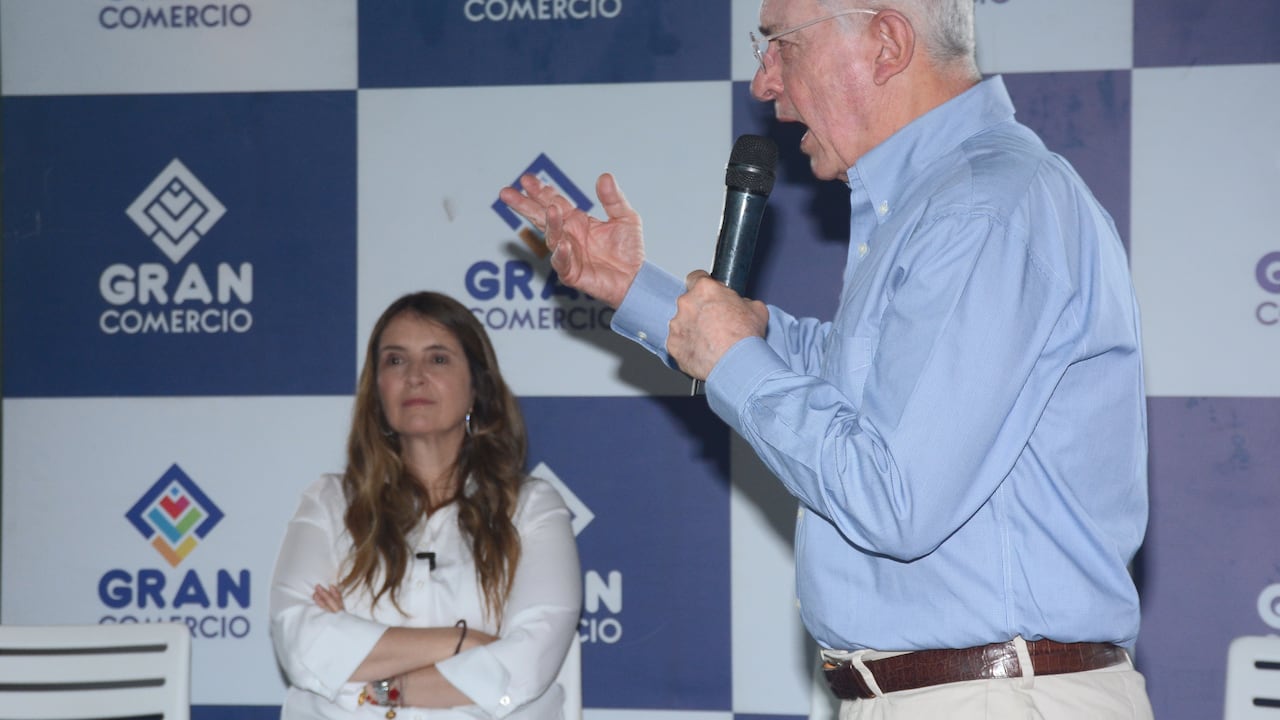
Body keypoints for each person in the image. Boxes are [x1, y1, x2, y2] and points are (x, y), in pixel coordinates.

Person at [498, 0, 1154, 718]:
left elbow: (892, 496)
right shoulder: (941, 202)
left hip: (989, 698)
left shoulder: (984, 206)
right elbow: (847, 377)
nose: (763, 82)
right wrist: (639, 292)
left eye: (781, 44)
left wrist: (732, 359)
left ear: (886, 42)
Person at [269, 291, 582, 719]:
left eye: (437, 359)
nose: (414, 376)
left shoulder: (530, 507)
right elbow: (300, 644)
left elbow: (526, 664)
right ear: (377, 389)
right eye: (395, 360)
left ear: (477, 386)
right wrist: (464, 641)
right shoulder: (328, 502)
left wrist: (374, 680)